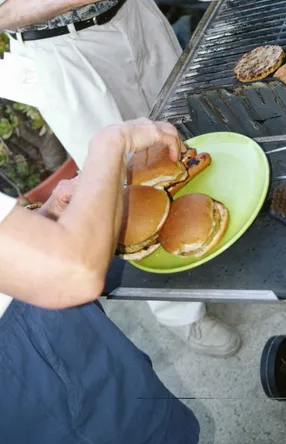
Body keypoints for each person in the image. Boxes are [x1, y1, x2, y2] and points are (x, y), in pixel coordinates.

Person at [0, 0, 255, 356]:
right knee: (118, 187)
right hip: (60, 50)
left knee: (186, 131)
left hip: (134, 6)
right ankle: (183, 314)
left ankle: (213, 233)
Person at [0, 117, 200, 443]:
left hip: (32, 317)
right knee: (136, 430)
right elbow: (74, 274)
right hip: (25, 359)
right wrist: (110, 142)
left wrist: (44, 220)